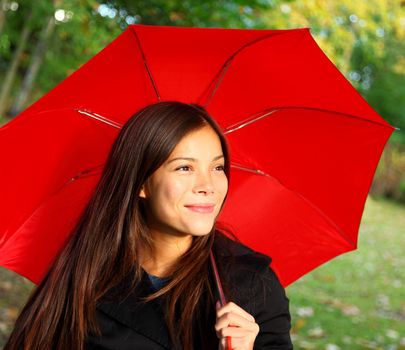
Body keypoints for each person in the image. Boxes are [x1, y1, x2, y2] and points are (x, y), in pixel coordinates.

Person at [4, 101, 293, 350]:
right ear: (142, 182)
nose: (208, 186)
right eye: (184, 168)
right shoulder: (83, 277)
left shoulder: (253, 287)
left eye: (217, 167)